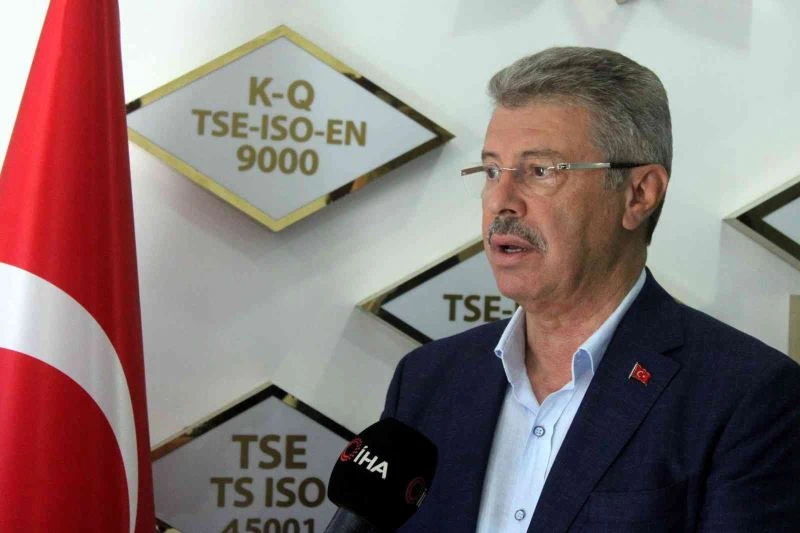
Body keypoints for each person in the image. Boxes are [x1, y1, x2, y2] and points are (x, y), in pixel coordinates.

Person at [381, 47, 800, 532]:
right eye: (492, 171)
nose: (501, 201)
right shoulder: (428, 380)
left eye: (540, 171)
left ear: (639, 194)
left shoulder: (746, 399)